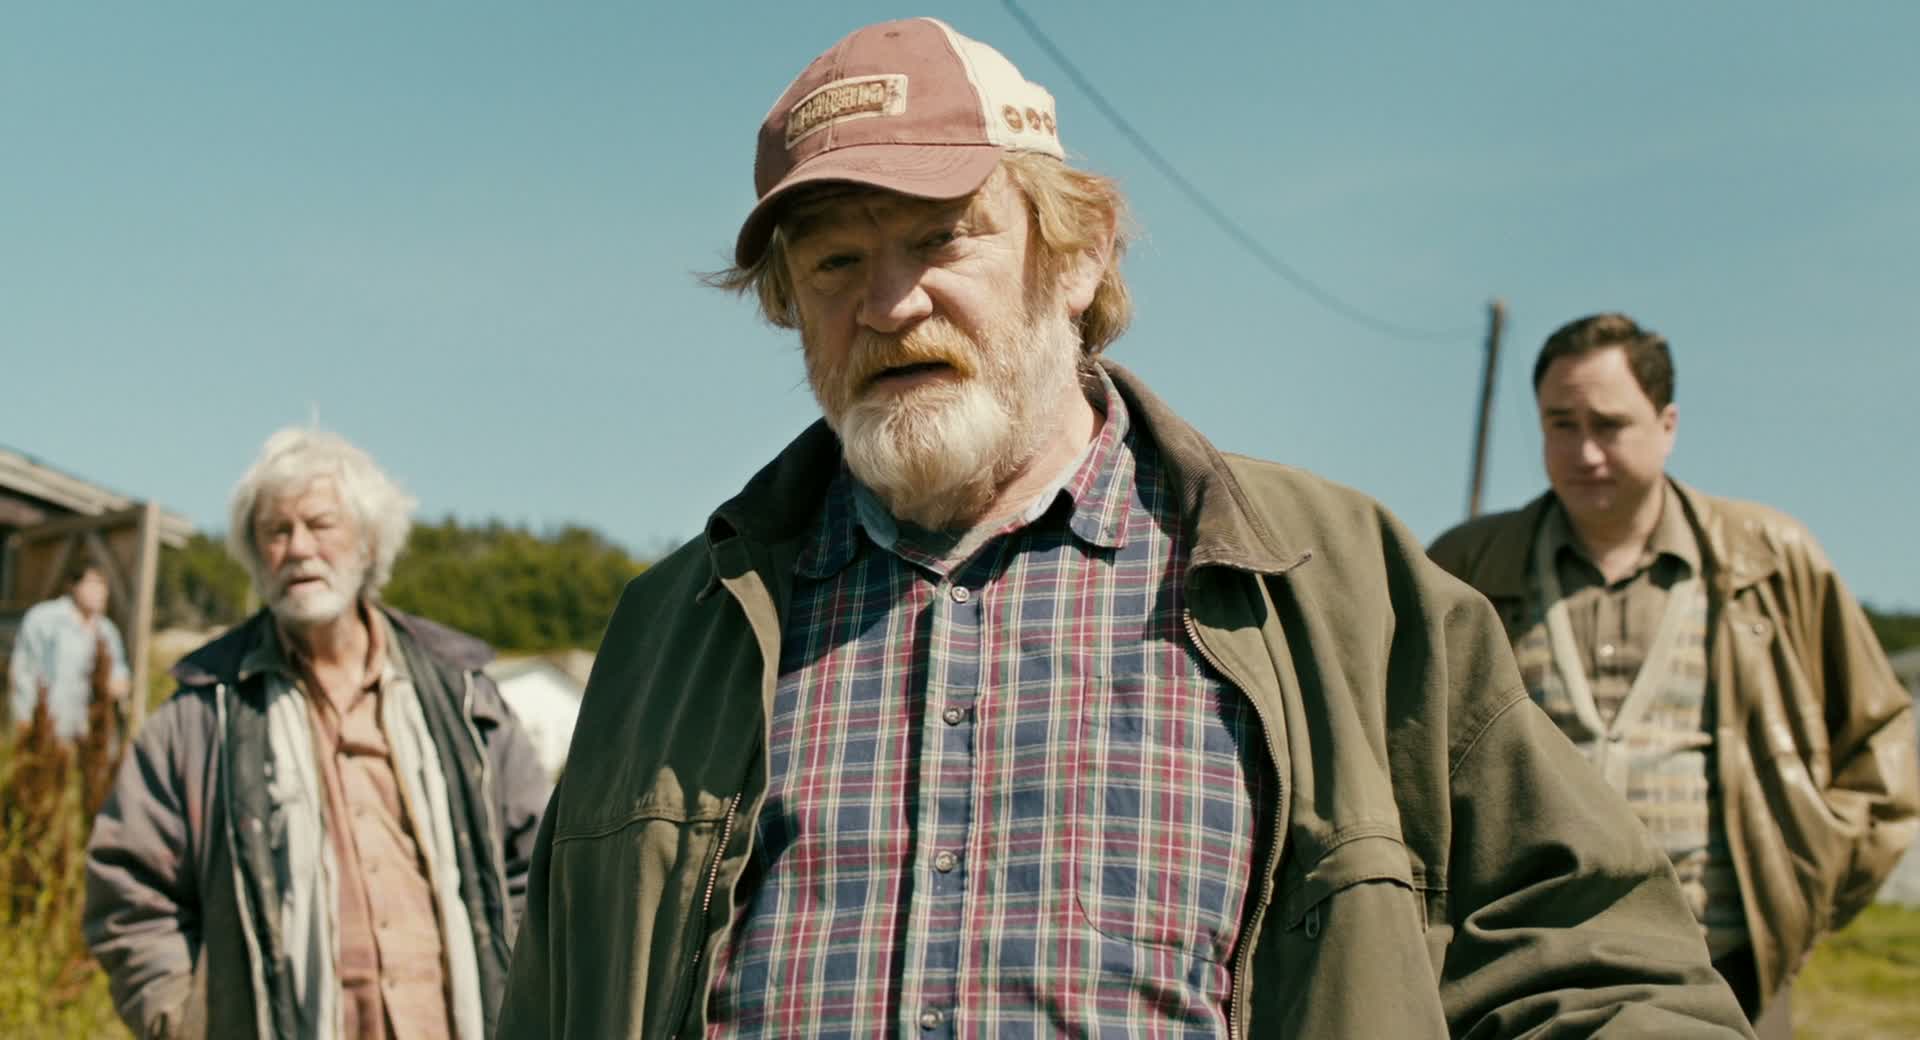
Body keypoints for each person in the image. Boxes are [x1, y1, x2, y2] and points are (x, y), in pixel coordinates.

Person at [499, 19, 1752, 1037]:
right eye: (833, 263)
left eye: (942, 238)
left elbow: (1602, 968)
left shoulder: (1333, 584)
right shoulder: (672, 630)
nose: (889, 302)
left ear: (1079, 253)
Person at [1429, 313, 1919, 1036]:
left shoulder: (1770, 557)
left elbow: (1880, 740)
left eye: (1609, 425)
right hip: (1527, 965)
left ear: (1667, 425)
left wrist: (1808, 888)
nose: (1585, 451)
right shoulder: (1467, 563)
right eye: (1561, 425)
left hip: (1725, 964)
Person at [84, 429, 551, 1040]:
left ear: (369, 540)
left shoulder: (462, 696)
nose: (298, 547)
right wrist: (184, 1021)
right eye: (276, 531)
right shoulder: (202, 713)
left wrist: (526, 996)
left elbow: (541, 866)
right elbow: (131, 892)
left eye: (320, 524)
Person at [8, 560, 130, 741]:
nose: (100, 591)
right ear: (73, 586)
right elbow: (23, 671)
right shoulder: (44, 619)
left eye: (104, 585)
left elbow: (119, 670)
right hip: (48, 726)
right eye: (93, 583)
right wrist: (24, 717)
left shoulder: (107, 630)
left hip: (89, 732)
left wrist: (120, 683)